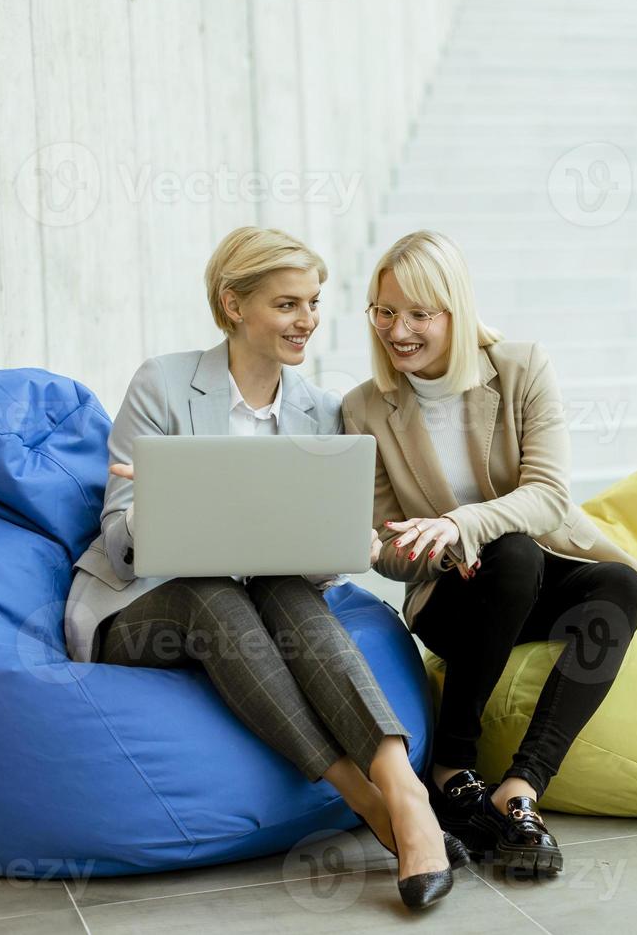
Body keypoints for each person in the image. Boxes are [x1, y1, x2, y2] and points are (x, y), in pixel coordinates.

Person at [63, 226, 460, 909]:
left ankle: (401, 788)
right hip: (143, 607)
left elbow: (314, 577)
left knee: (280, 588)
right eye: (286, 304)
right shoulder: (162, 383)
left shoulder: (320, 411)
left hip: (262, 603)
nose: (306, 321)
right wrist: (152, 510)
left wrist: (344, 547)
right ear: (233, 305)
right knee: (212, 591)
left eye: (312, 302)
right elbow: (120, 545)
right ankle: (362, 795)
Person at [341, 229, 637, 877]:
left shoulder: (520, 367)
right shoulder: (363, 408)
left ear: (454, 311)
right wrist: (436, 549)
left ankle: (521, 786)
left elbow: (549, 494)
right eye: (384, 311)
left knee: (620, 586)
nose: (398, 330)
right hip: (450, 603)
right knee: (513, 558)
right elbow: (386, 549)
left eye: (418, 314)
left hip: (530, 569)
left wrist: (463, 524)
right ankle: (453, 764)